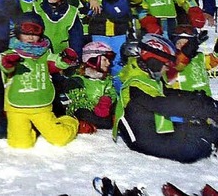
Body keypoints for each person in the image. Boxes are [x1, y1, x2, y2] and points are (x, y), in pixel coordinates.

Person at [113, 34, 218, 163]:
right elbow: (165, 104)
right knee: (198, 145)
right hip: (143, 140)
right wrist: (201, 107)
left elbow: (168, 93)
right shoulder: (136, 84)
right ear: (154, 61)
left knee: (203, 129)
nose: (168, 67)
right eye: (166, 64)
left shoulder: (144, 74)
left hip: (156, 129)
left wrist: (199, 99)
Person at [0, 12, 80, 148]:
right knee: (20, 144)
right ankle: (28, 129)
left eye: (35, 32)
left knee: (59, 138)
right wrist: (9, 63)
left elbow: (55, 63)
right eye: (26, 32)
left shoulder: (44, 53)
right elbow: (6, 67)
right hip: (17, 107)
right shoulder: (9, 54)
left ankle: (70, 122)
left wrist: (66, 60)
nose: (30, 36)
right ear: (18, 32)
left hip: (41, 106)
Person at [64, 41, 117, 131]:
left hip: (102, 112)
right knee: (82, 112)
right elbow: (78, 102)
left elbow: (111, 92)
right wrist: (96, 108)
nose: (108, 63)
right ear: (92, 60)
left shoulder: (106, 79)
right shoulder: (77, 80)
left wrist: (107, 100)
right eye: (105, 60)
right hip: (87, 111)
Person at [168, 25, 215, 96]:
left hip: (205, 99)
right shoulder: (172, 60)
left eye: (185, 43)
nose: (181, 45)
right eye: (178, 43)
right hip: (184, 100)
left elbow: (213, 61)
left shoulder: (199, 57)